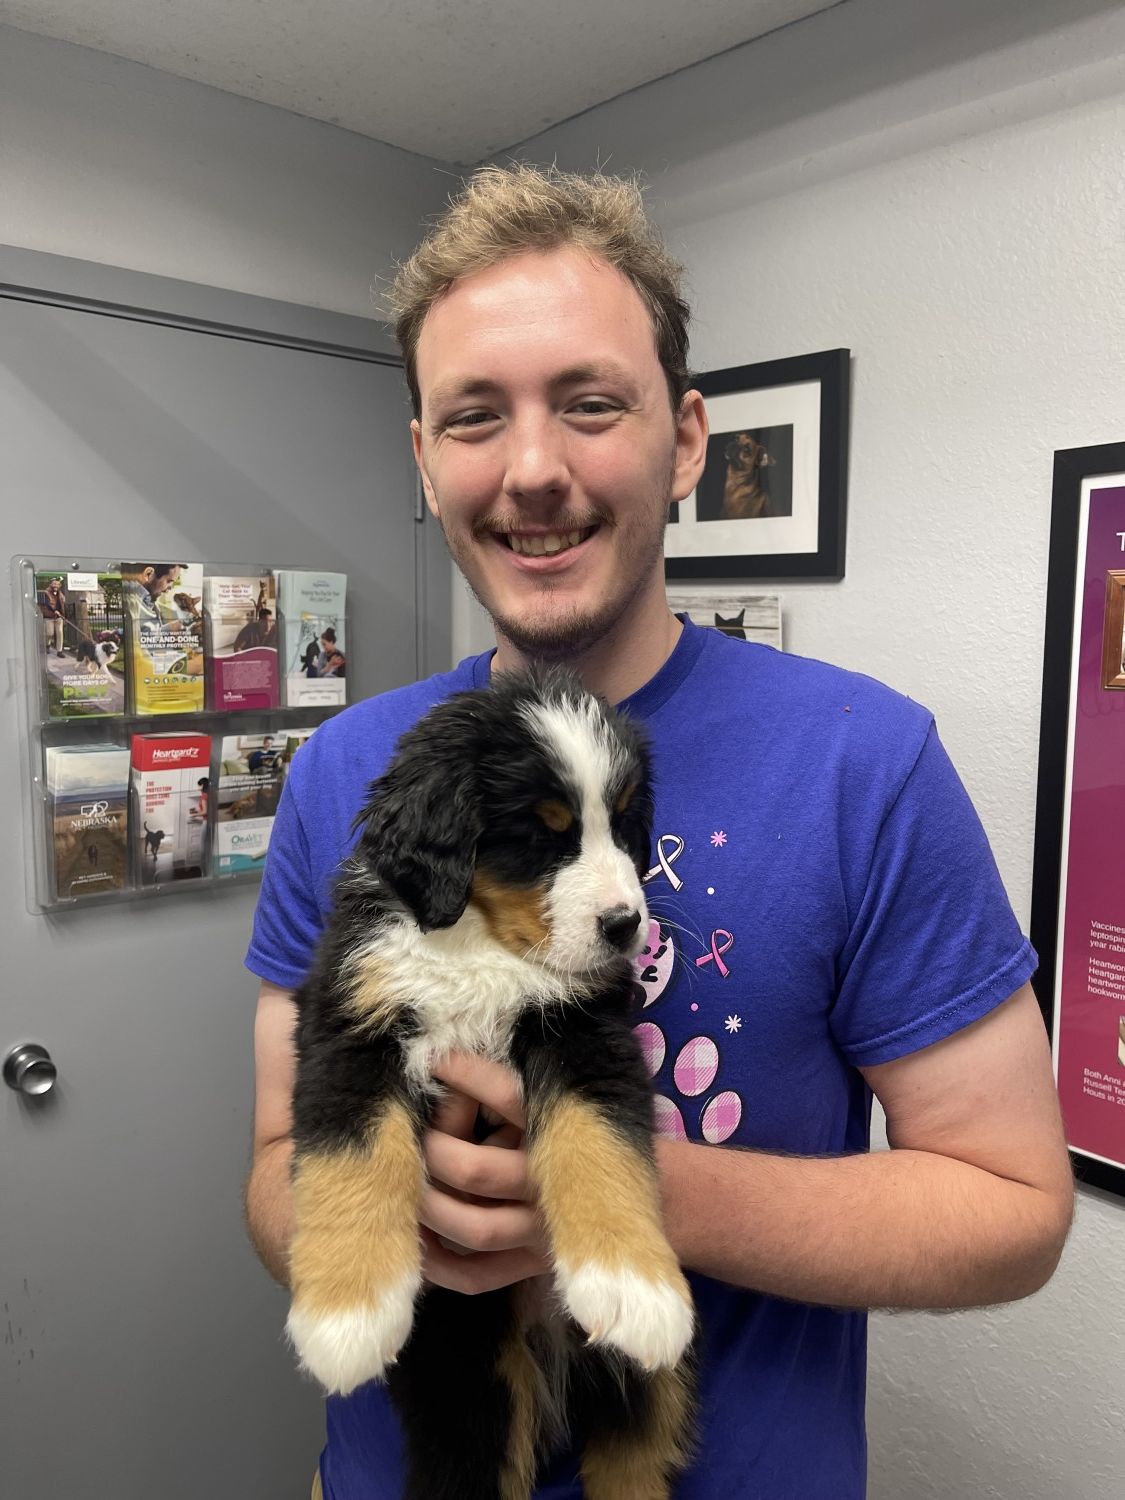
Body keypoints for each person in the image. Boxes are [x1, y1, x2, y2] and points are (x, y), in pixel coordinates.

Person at [244, 164, 1073, 1499]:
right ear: (422, 457)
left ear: (685, 440)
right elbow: (279, 1167)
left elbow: (1014, 1214)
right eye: (473, 417)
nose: (531, 471)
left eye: (588, 404)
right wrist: (375, 1215)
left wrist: (614, 1183)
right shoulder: (347, 767)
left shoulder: (865, 761)